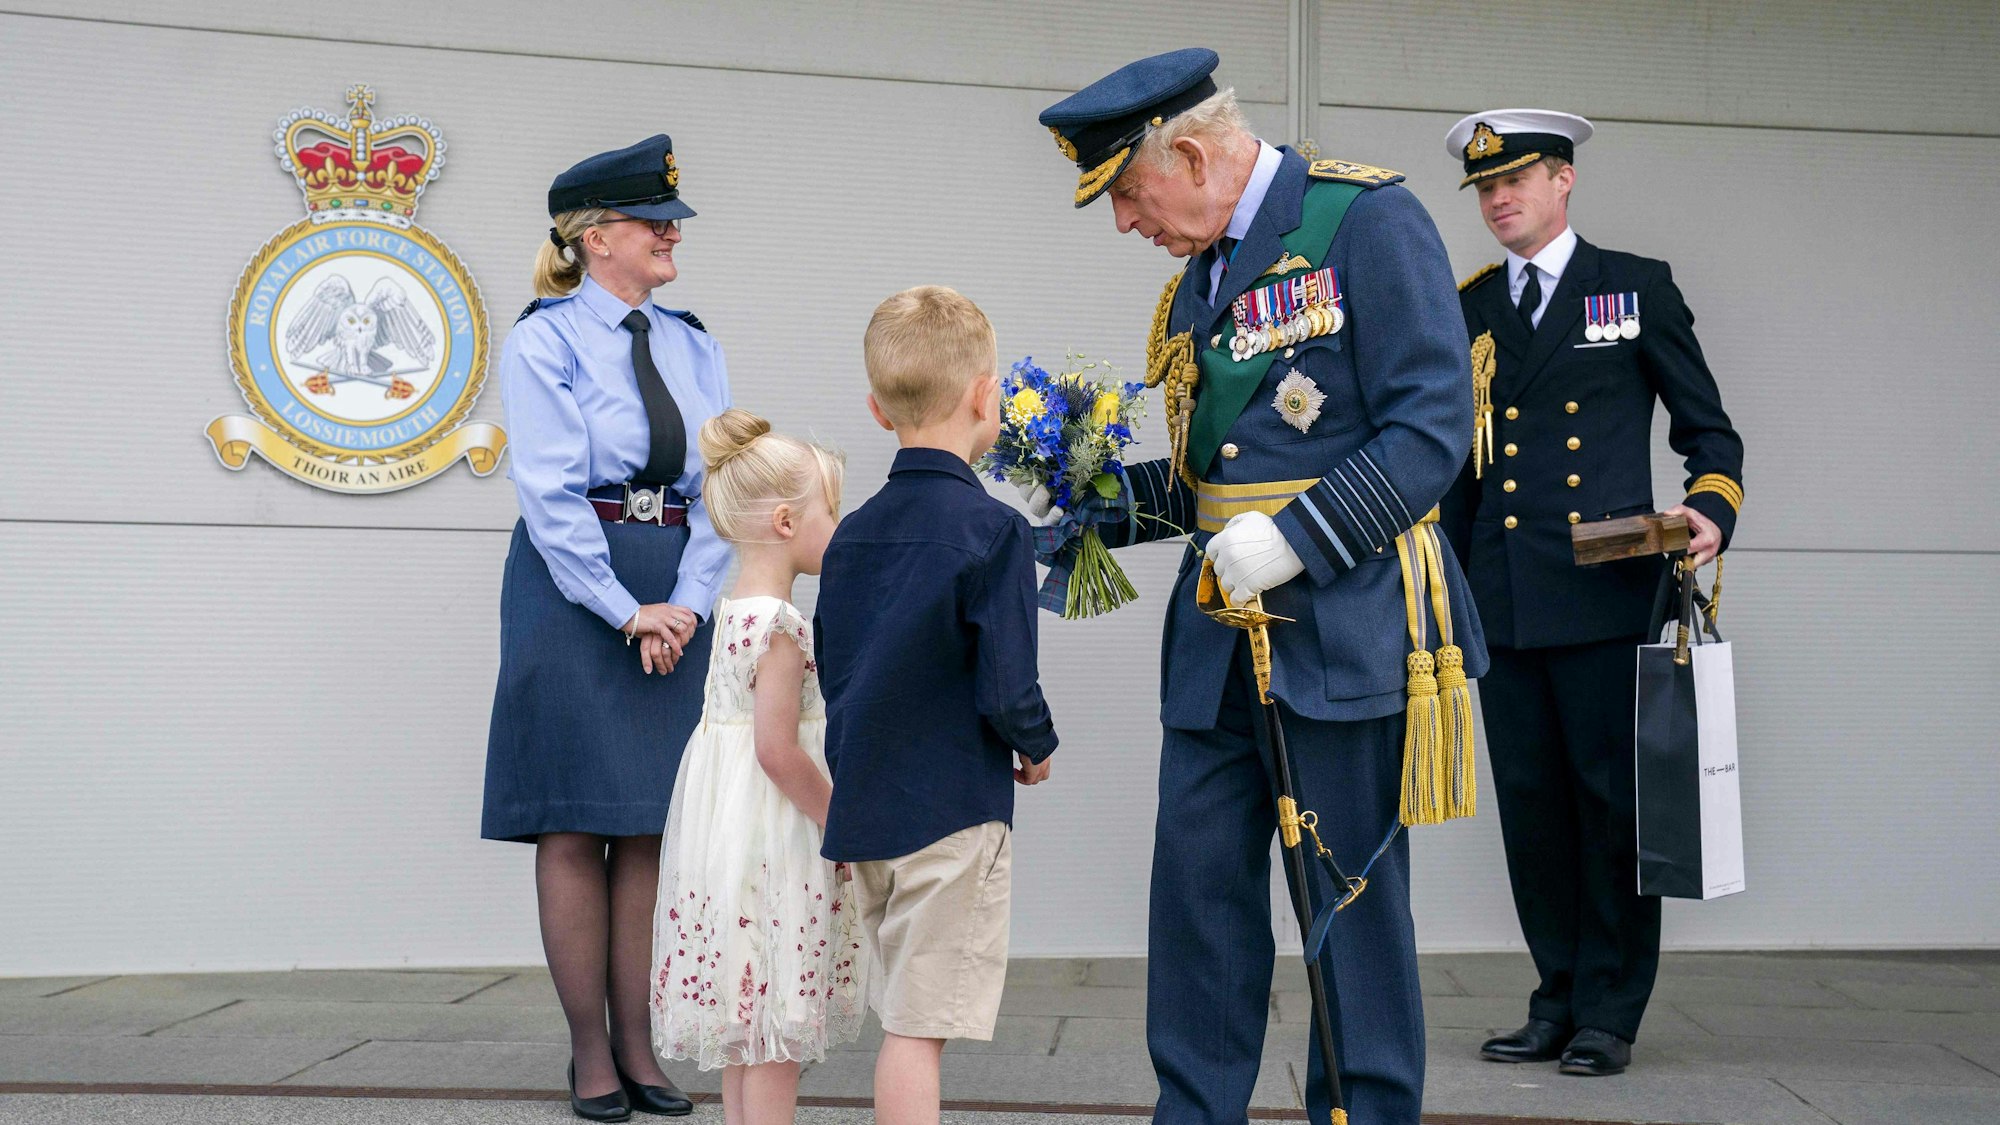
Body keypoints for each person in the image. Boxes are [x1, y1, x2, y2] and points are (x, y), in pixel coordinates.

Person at [1036, 48, 1484, 1125]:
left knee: (1349, 906)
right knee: (1196, 907)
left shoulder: (1362, 223)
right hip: (1212, 649)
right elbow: (1211, 483)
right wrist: (1094, 499)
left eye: (1129, 195)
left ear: (1189, 156)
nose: (1124, 225)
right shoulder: (1198, 274)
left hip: (1342, 632)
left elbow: (1432, 427)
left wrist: (1301, 537)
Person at [1437, 109, 1745, 1077]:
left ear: (1562, 180)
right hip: (1503, 590)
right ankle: (1555, 996)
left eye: (1515, 179)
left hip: (1607, 581)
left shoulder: (1633, 288)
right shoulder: (1471, 306)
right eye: (1484, 187)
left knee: (1608, 803)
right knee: (1531, 807)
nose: (1498, 198)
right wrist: (1445, 580)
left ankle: (1609, 1009)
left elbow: (1710, 433)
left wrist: (1707, 509)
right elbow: (1459, 467)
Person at [481, 134, 731, 1120]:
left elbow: (722, 485)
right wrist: (629, 613)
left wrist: (689, 605)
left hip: (675, 579)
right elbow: (547, 495)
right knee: (577, 814)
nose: (671, 233)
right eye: (650, 221)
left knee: (653, 823)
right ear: (594, 240)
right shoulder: (544, 340)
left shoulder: (693, 340)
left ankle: (641, 1043)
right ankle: (591, 1054)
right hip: (574, 585)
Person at [813, 286, 1059, 1125]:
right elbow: (1007, 681)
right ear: (986, 396)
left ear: (879, 411)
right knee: (919, 1029)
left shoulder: (850, 532)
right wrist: (1036, 742)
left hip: (869, 808)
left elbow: (836, 666)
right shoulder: (995, 532)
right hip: (953, 812)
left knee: (902, 1015)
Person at [649, 408, 866, 1124]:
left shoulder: (731, 607)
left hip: (728, 836)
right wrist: (844, 821)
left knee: (750, 1031)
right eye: (829, 512)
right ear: (784, 522)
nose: (837, 526)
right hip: (772, 843)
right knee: (773, 1031)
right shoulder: (780, 625)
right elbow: (777, 750)